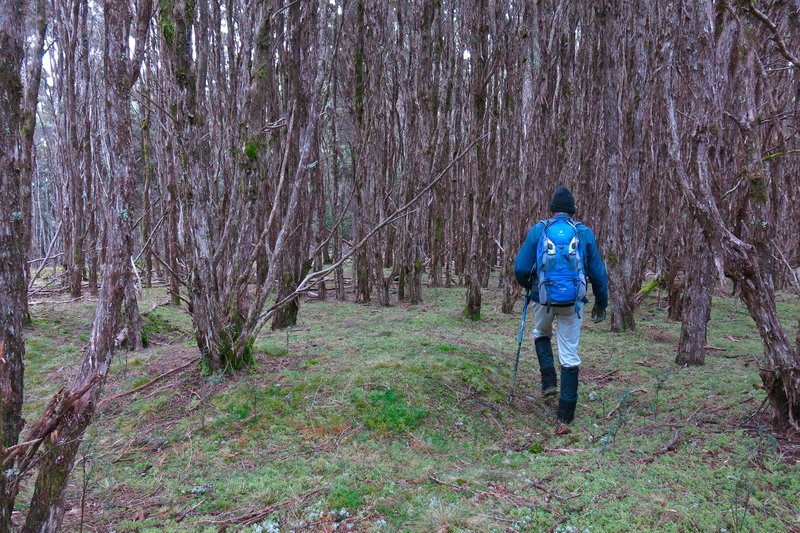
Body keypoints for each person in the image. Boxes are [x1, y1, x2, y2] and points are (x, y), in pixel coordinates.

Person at [513, 186, 608, 430]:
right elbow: (598, 273)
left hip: (542, 299)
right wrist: (601, 301)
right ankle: (565, 415)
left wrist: (531, 288)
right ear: (573, 212)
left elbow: (521, 269)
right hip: (573, 304)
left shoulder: (539, 231)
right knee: (569, 353)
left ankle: (548, 382)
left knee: (541, 334)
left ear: (552, 210)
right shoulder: (584, 233)